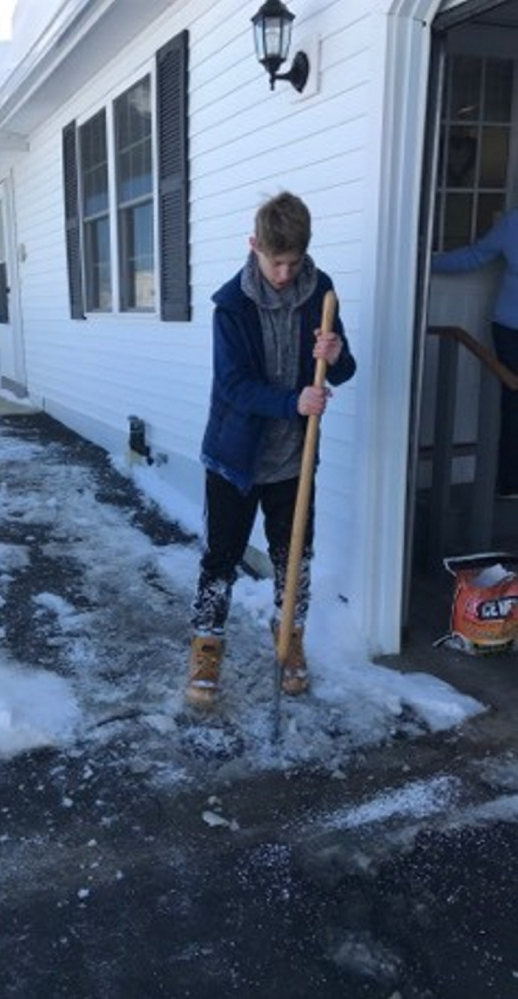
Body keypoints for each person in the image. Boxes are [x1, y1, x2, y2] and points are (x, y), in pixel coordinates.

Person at [186, 192, 356, 708]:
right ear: (253, 245)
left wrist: (338, 353)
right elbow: (233, 385)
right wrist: (292, 400)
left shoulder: (320, 293)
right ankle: (206, 649)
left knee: (294, 559)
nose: (284, 273)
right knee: (222, 558)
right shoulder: (230, 306)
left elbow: (341, 372)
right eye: (274, 261)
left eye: (294, 262)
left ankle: (291, 643)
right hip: (235, 459)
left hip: (293, 463)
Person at [430, 207, 518, 498]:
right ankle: (510, 483)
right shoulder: (512, 222)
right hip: (511, 329)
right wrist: (426, 263)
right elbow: (476, 255)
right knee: (514, 405)